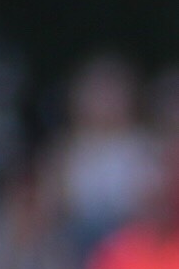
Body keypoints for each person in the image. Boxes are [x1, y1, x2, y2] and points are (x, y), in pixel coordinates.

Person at [42, 53, 161, 251]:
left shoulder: (145, 147)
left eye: (112, 93)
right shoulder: (65, 151)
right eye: (98, 92)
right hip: (74, 242)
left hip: (128, 240)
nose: (105, 101)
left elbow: (151, 204)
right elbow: (51, 208)